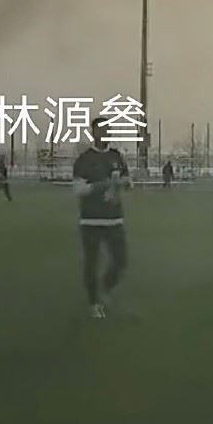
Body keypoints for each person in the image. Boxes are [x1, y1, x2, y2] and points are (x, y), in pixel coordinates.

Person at [72, 119, 131, 319]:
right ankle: (94, 303)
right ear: (93, 133)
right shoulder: (84, 159)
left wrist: (124, 183)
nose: (105, 133)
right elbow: (78, 189)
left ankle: (105, 287)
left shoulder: (116, 156)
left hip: (114, 218)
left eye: (108, 130)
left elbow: (126, 180)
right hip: (91, 220)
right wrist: (104, 185)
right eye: (101, 130)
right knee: (91, 263)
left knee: (121, 261)